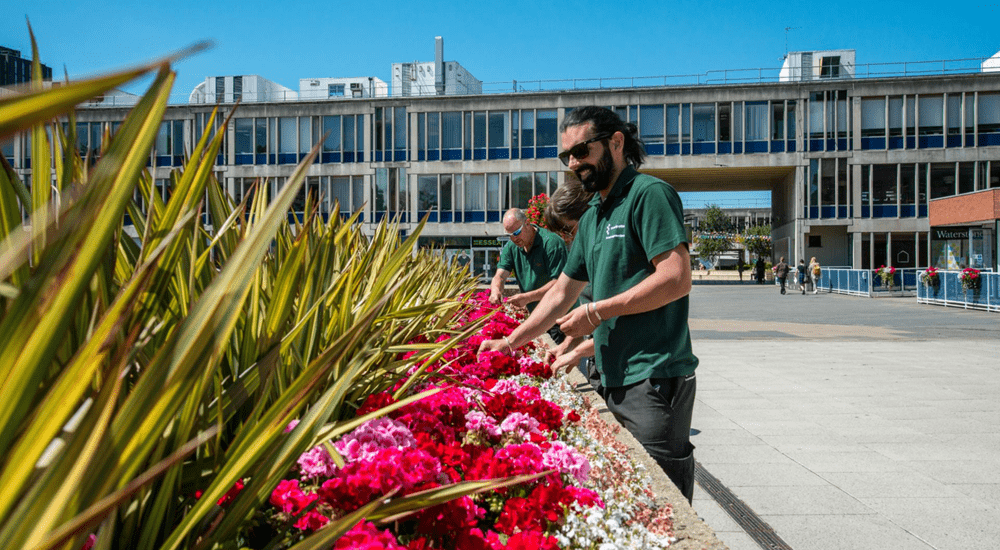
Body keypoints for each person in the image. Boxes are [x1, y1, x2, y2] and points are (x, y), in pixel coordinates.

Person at [478, 106, 698, 503]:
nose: (575, 163)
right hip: (612, 375)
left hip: (653, 375)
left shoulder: (649, 195)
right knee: (630, 501)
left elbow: (676, 279)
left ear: (616, 143)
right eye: (567, 156)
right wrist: (510, 343)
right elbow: (562, 291)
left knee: (663, 500)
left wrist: (596, 312)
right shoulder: (594, 212)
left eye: (582, 151)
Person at [488, 208, 570, 344]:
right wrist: (495, 290)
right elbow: (500, 276)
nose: (514, 238)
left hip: (560, 318)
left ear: (527, 223)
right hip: (537, 317)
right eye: (510, 235)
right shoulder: (511, 247)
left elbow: (559, 284)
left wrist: (527, 297)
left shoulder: (552, 243)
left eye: (517, 232)